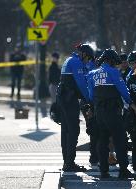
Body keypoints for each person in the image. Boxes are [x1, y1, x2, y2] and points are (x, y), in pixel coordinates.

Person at [88, 49, 136, 179]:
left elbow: (91, 96)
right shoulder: (113, 72)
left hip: (99, 113)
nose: (116, 65)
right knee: (120, 140)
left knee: (102, 141)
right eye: (115, 62)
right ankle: (123, 170)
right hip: (113, 112)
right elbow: (124, 91)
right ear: (110, 61)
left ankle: (103, 171)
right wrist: (132, 104)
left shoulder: (92, 74)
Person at [58, 44, 94, 172]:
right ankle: (70, 163)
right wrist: (90, 99)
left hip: (63, 98)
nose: (88, 61)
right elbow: (81, 84)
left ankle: (67, 162)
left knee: (66, 131)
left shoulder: (70, 59)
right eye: (88, 58)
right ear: (84, 54)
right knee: (73, 130)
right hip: (69, 100)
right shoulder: (76, 62)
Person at [48, 52, 61, 122]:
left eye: (55, 58)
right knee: (53, 100)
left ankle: (55, 113)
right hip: (53, 85)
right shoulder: (52, 66)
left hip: (57, 85)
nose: (54, 59)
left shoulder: (57, 66)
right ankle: (52, 113)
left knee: (56, 100)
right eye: (53, 57)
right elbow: (51, 77)